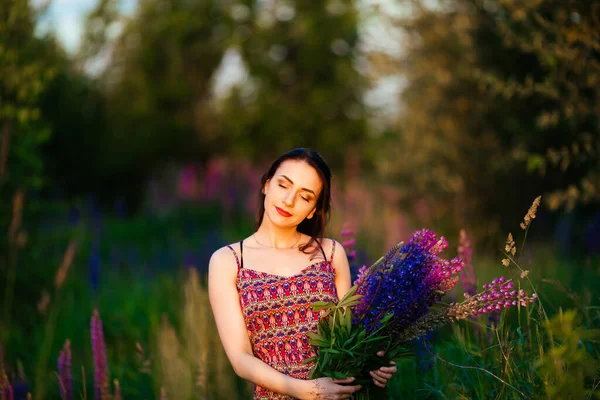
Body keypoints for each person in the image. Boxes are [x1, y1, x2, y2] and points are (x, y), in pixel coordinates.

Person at [208, 148, 397, 400]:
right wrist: (306, 391)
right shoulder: (229, 261)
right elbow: (241, 358)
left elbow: (350, 334)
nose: (288, 200)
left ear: (312, 210)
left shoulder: (330, 253)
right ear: (266, 185)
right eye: (283, 185)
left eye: (305, 196)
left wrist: (376, 360)